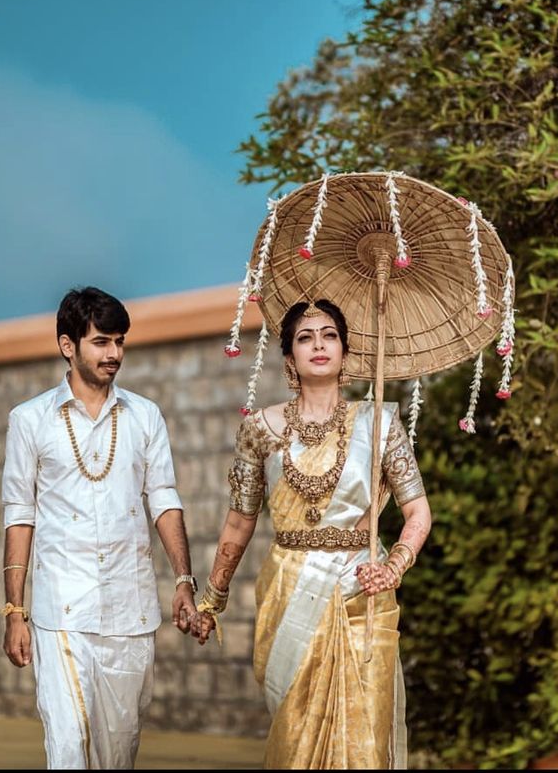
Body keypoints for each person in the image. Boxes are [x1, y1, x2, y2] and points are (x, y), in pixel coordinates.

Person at [192, 299, 432, 769]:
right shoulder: (259, 431)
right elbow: (240, 521)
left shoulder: (379, 423)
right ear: (289, 358)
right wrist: (212, 598)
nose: (319, 344)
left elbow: (418, 512)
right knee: (295, 736)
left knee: (362, 739)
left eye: (330, 335)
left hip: (361, 592)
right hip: (287, 590)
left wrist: (393, 567)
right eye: (305, 337)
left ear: (345, 351)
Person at [1, 286, 199, 769]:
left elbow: (165, 500)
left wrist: (183, 580)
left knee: (118, 753)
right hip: (61, 611)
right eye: (102, 342)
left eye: (120, 342)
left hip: (129, 611)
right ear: (68, 346)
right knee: (68, 749)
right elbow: (19, 513)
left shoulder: (145, 416)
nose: (114, 354)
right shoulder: (29, 420)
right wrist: (14, 609)